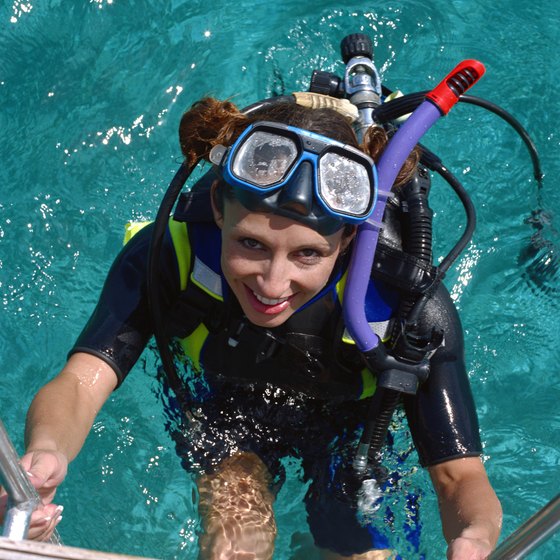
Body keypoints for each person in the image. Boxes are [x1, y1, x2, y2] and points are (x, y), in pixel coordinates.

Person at [6, 97, 502, 559]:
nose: (272, 283)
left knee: (352, 542)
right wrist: (45, 455)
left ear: (350, 236)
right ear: (219, 206)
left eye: (308, 253)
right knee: (234, 543)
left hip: (349, 432)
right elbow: (80, 381)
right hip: (229, 417)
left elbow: (459, 476)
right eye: (251, 244)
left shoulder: (409, 309)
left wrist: (474, 537)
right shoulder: (168, 255)